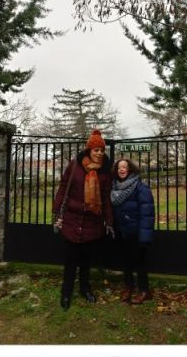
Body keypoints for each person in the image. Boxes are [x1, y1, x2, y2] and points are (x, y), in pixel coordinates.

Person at [53, 129, 115, 310]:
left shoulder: (105, 171)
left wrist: (109, 220)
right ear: (89, 150)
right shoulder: (75, 166)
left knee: (86, 260)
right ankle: (66, 292)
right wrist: (56, 211)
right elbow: (63, 187)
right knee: (70, 259)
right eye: (96, 150)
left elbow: (106, 197)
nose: (99, 153)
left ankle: (85, 289)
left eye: (102, 150)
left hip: (92, 221)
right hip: (72, 218)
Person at [110, 158, 155, 303]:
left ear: (130, 169)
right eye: (119, 168)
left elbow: (147, 213)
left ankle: (144, 291)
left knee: (140, 262)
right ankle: (128, 287)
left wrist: (144, 236)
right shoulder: (115, 187)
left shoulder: (140, 188)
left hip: (136, 232)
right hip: (122, 231)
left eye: (124, 167)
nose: (121, 170)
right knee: (126, 261)